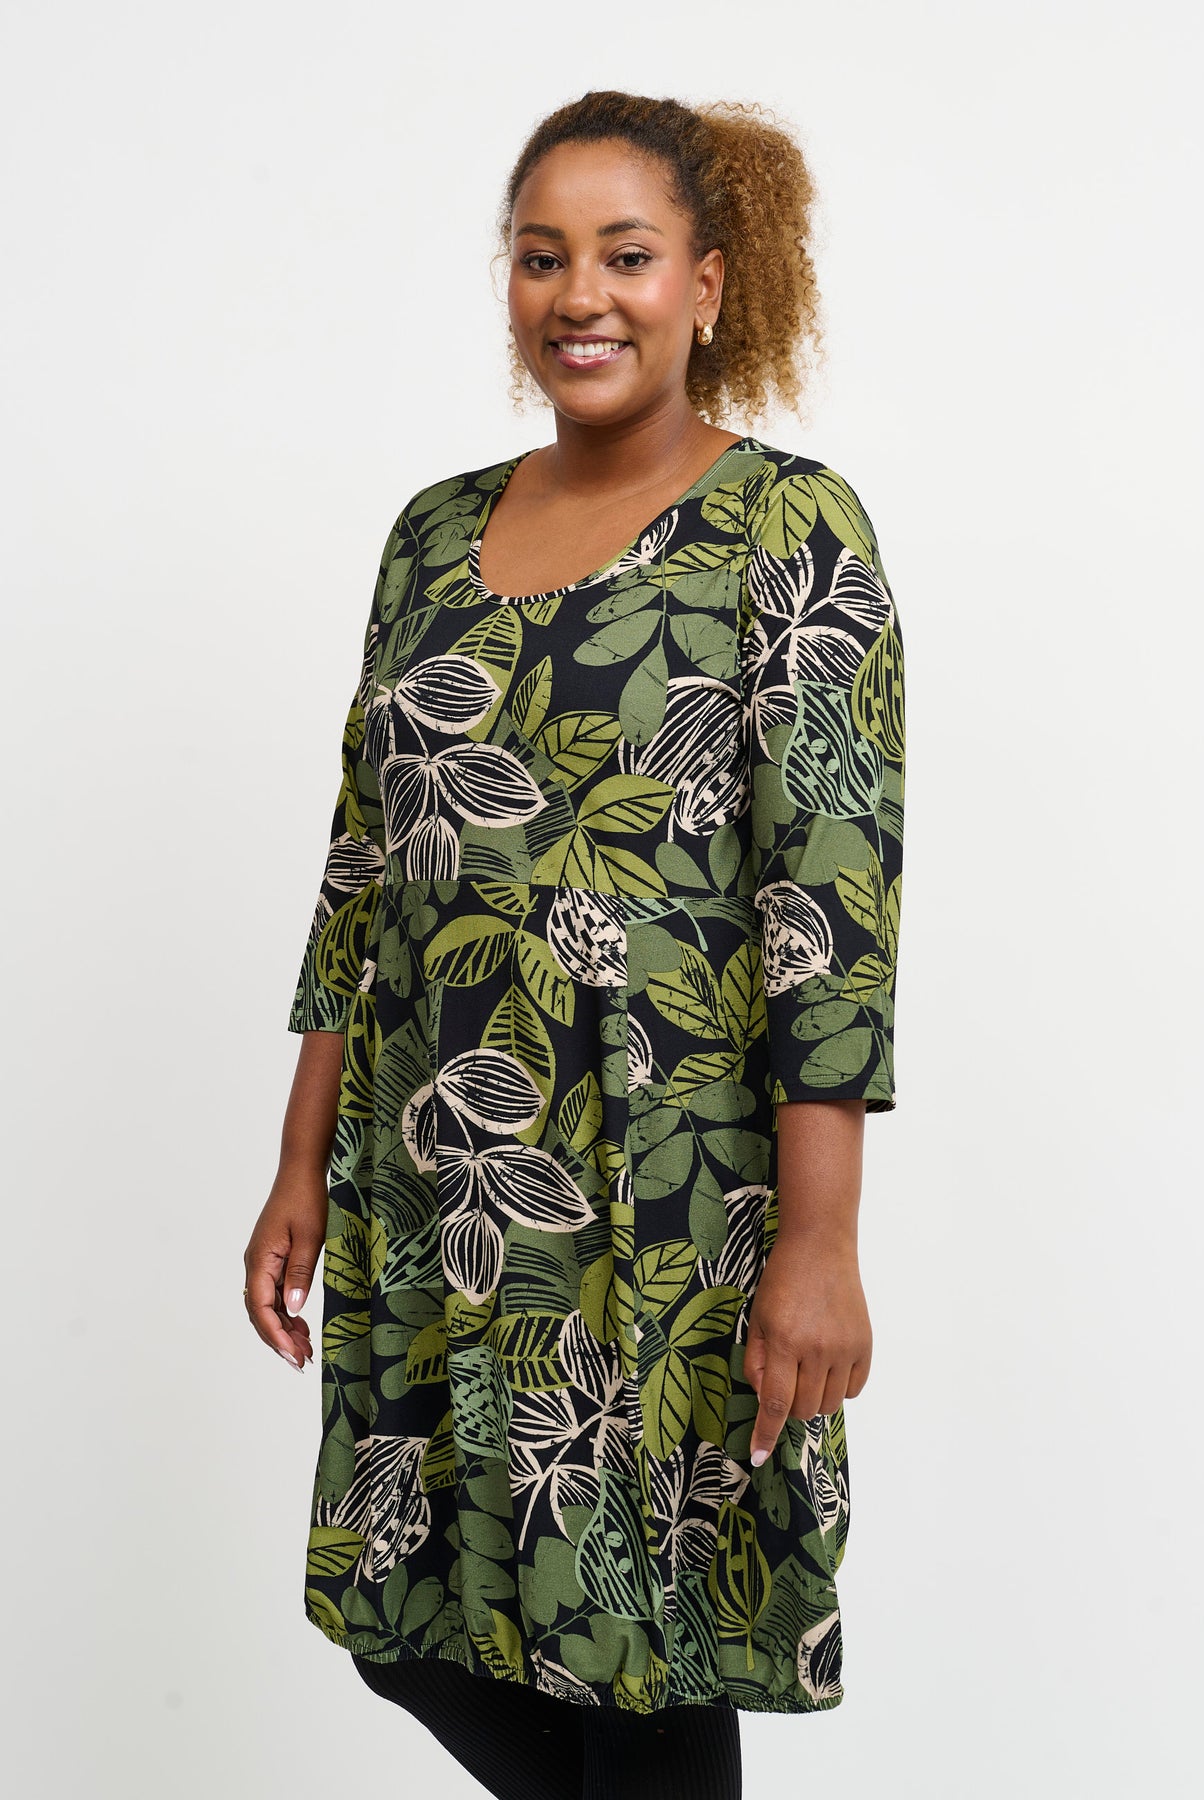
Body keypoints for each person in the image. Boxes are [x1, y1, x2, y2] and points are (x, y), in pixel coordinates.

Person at [244, 87, 906, 1800]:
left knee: (639, 1639)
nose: (580, 296)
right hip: (439, 1173)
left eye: (626, 255)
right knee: (413, 1612)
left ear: (708, 282)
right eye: (542, 258)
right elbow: (362, 866)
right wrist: (300, 1161)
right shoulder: (428, 534)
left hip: (659, 1191)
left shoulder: (788, 530)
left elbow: (827, 913)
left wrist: (819, 1240)